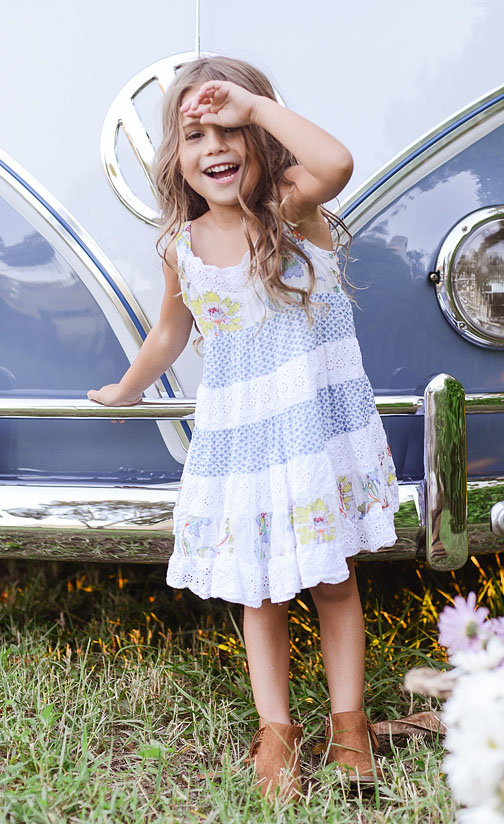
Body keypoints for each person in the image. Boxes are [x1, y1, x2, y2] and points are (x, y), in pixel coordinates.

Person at [88, 56, 400, 802]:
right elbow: (169, 332)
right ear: (176, 157)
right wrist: (128, 389)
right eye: (196, 133)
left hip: (313, 437)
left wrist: (254, 105)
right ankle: (278, 730)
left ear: (263, 138)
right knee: (257, 592)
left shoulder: (293, 208)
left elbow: (339, 161)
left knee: (332, 580)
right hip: (244, 444)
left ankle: (349, 726)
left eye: (232, 129)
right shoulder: (181, 248)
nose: (216, 146)